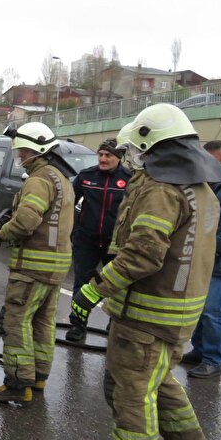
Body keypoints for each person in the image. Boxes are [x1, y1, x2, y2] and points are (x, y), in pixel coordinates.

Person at [72, 104, 221, 440]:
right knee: (160, 383)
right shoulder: (201, 190)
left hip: (147, 311)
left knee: (131, 389)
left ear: (151, 144)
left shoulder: (162, 190)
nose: (131, 159)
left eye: (135, 150)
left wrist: (96, 288)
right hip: (178, 311)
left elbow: (143, 254)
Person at [0, 122, 74, 404]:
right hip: (55, 266)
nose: (20, 157)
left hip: (32, 266)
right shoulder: (61, 179)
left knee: (16, 321)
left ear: (38, 150)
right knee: (43, 322)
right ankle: (38, 377)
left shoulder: (38, 180)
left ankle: (18, 384)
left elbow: (26, 222)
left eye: (24, 151)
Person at [182, 140, 221, 378]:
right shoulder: (211, 182)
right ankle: (199, 351)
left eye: (210, 160)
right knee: (201, 308)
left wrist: (209, 248)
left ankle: (213, 359)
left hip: (220, 260)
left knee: (213, 311)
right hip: (206, 257)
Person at [66, 139, 132, 342]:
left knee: (116, 287)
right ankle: (78, 325)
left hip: (115, 244)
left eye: (108, 155)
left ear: (118, 157)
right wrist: (74, 229)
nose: (103, 159)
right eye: (100, 154)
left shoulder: (130, 179)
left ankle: (114, 328)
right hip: (87, 240)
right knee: (81, 284)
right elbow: (68, 203)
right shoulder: (87, 176)